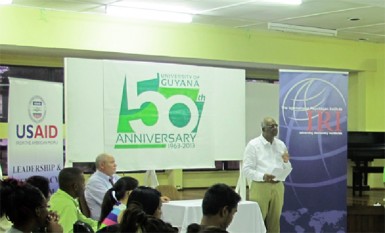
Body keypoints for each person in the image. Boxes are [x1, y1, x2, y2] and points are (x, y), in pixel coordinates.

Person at [242, 116, 292, 233]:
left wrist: (286, 162)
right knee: (258, 220)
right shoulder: (253, 145)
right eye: (271, 126)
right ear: (264, 129)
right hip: (261, 186)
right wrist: (263, 176)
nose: (275, 128)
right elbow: (246, 169)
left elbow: (287, 166)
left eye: (276, 126)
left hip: (278, 186)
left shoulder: (281, 144)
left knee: (275, 222)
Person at [49, 167, 98, 233]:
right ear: (75, 187)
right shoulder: (66, 205)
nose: (85, 186)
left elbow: (84, 221)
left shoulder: (61, 197)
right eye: (83, 183)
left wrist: (104, 225)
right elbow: (69, 231)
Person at [85, 153, 120, 220]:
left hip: (116, 217)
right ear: (102, 165)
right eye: (112, 162)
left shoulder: (114, 177)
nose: (115, 165)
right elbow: (111, 202)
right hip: (105, 222)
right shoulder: (94, 182)